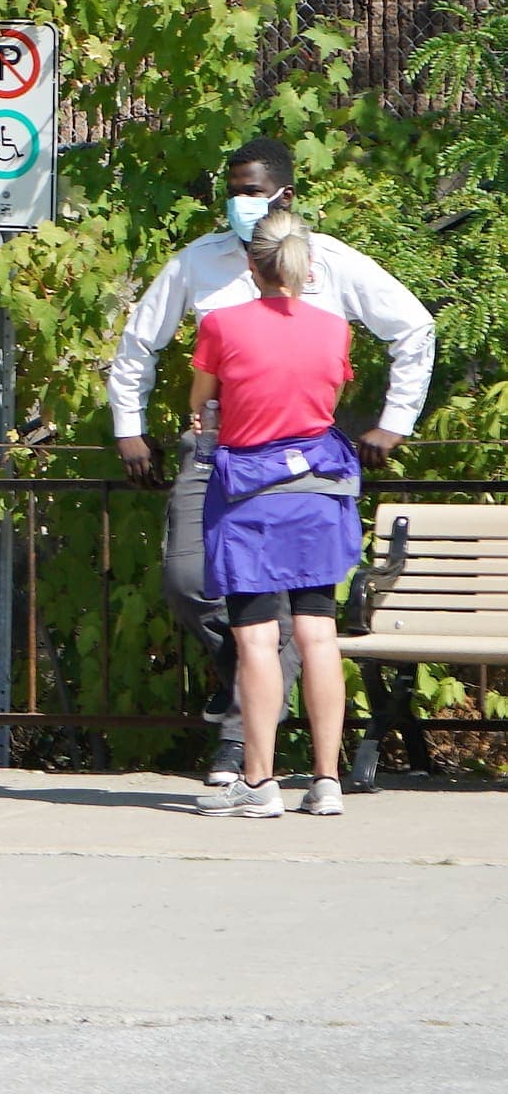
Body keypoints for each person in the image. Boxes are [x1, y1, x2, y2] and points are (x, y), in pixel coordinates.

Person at [110, 135, 434, 784]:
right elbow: (137, 344)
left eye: (252, 190)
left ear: (285, 193)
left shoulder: (331, 264)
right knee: (189, 580)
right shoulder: (200, 263)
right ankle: (256, 703)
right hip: (220, 448)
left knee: (286, 617)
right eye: (232, 190)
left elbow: (413, 327)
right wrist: (130, 430)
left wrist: (393, 424)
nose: (239, 201)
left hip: (300, 454)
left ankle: (241, 745)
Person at [188, 211, 366, 818]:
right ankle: (326, 781)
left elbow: (201, 404)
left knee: (257, 638)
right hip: (320, 490)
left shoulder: (221, 324)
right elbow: (329, 400)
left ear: (251, 262)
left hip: (250, 497)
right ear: (305, 265)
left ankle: (259, 783)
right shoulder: (333, 327)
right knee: (319, 632)